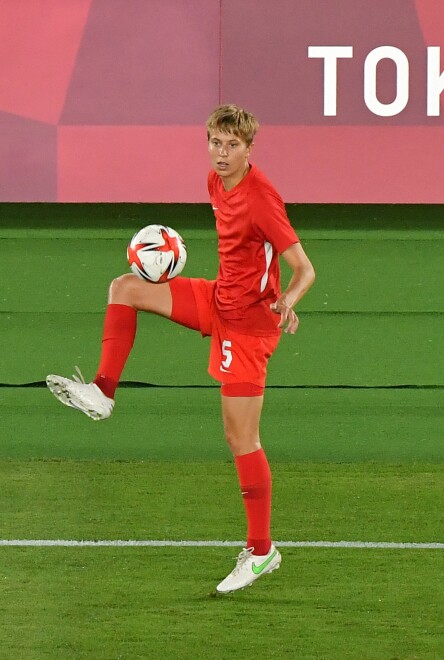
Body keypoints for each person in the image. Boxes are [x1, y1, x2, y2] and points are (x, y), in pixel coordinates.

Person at [46, 104, 316, 594]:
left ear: (249, 149)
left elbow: (305, 268)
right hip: (219, 299)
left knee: (241, 439)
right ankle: (104, 393)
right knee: (124, 288)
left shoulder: (261, 199)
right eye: (216, 142)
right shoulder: (215, 183)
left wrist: (287, 302)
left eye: (233, 145)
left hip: (250, 326)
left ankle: (261, 552)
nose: (222, 153)